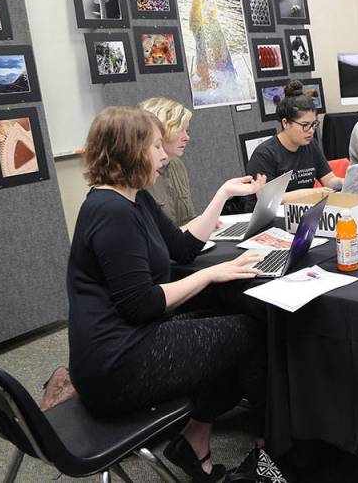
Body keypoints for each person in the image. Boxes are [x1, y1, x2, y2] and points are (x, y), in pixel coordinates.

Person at [67, 107, 268, 482]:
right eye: (156, 146)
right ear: (129, 151)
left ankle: (196, 441)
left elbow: (183, 246)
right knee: (250, 333)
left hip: (126, 343)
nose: (164, 154)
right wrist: (210, 276)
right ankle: (251, 445)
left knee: (226, 325)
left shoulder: (134, 198)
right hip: (116, 364)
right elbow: (142, 303)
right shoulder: (111, 212)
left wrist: (224, 193)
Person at [247, 80, 341, 207]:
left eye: (314, 124)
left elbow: (329, 180)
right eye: (305, 125)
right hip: (268, 219)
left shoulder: (311, 145)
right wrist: (314, 192)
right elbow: (268, 197)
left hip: (300, 213)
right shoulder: (265, 154)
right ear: (286, 123)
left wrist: (353, 181)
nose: (311, 131)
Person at [139, 97, 195, 226]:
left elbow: (186, 220)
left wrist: (203, 223)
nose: (186, 138)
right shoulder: (139, 177)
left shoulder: (177, 165)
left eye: (186, 131)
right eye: (179, 130)